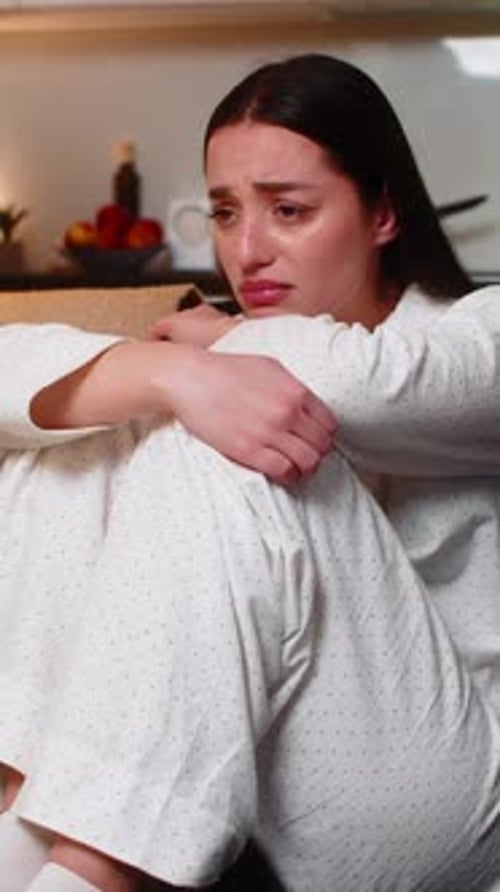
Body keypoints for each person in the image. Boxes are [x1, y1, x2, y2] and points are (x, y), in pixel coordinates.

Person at [2, 53, 500, 892]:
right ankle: (33, 817)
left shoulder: (480, 329)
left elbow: (377, 385)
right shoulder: (212, 348)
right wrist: (168, 375)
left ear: (382, 212)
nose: (247, 250)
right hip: (278, 777)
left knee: (229, 434)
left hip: (452, 791)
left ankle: (86, 866)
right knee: (95, 434)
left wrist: (212, 356)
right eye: (227, 213)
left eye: (290, 210)